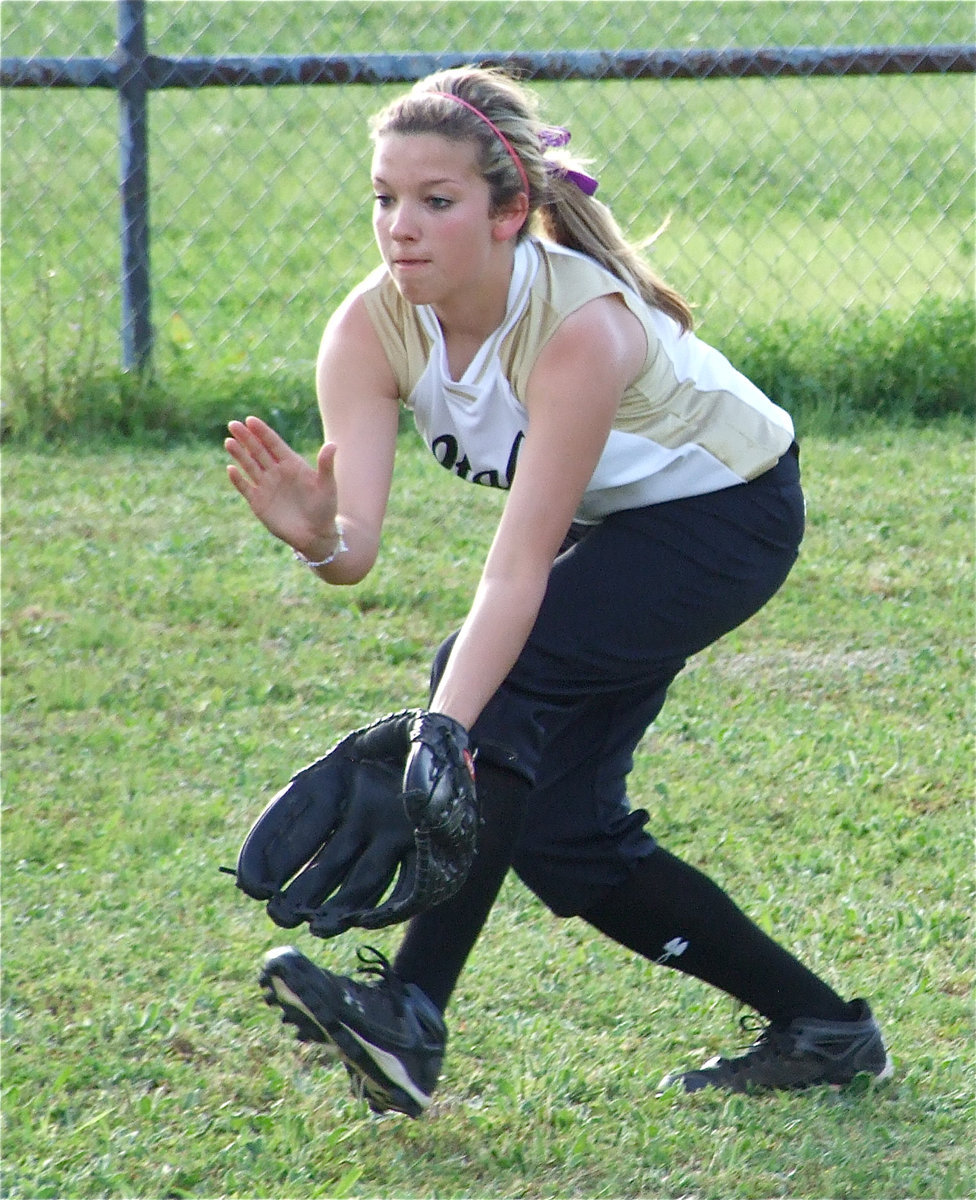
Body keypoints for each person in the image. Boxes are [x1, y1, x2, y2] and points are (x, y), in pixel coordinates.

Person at [224, 66, 891, 1118]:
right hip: (626, 527)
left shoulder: (582, 327)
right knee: (562, 836)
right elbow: (355, 552)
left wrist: (444, 729)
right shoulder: (370, 328)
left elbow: (516, 566)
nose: (401, 226)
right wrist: (317, 536)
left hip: (730, 512)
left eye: (436, 201)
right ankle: (823, 1030)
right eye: (384, 197)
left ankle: (409, 1015)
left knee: (489, 691)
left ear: (508, 214)